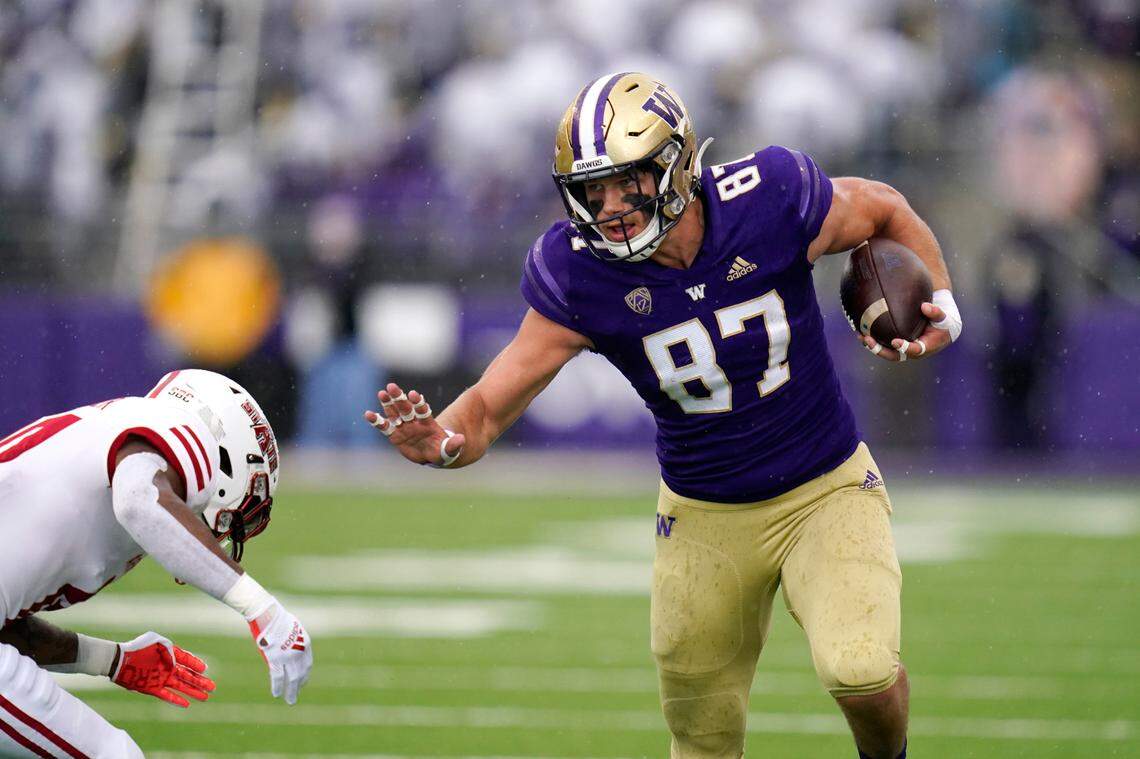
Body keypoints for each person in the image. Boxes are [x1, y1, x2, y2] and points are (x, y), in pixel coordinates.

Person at [365, 72, 963, 759]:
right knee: (700, 737)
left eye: (628, 182)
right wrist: (441, 442)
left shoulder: (768, 195)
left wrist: (942, 300)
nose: (611, 206)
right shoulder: (580, 272)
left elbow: (883, 208)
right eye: (593, 190)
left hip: (824, 487)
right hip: (703, 514)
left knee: (861, 670)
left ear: (677, 164)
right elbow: (486, 409)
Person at [0, 369, 312, 757]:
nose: (223, 532)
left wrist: (112, 660)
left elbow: (7, 629)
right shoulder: (179, 429)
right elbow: (138, 500)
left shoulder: (103, 446)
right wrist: (262, 609)